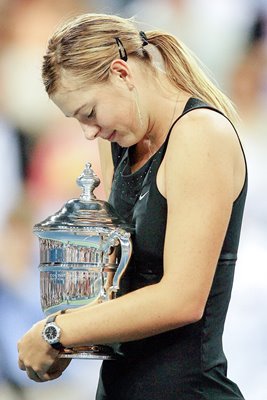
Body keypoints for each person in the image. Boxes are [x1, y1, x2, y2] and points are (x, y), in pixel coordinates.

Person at [17, 13, 247, 400]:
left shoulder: (200, 134)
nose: (88, 131)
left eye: (89, 113)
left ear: (122, 73)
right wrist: (64, 345)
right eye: (77, 121)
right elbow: (116, 286)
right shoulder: (117, 142)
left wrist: (56, 331)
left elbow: (181, 299)